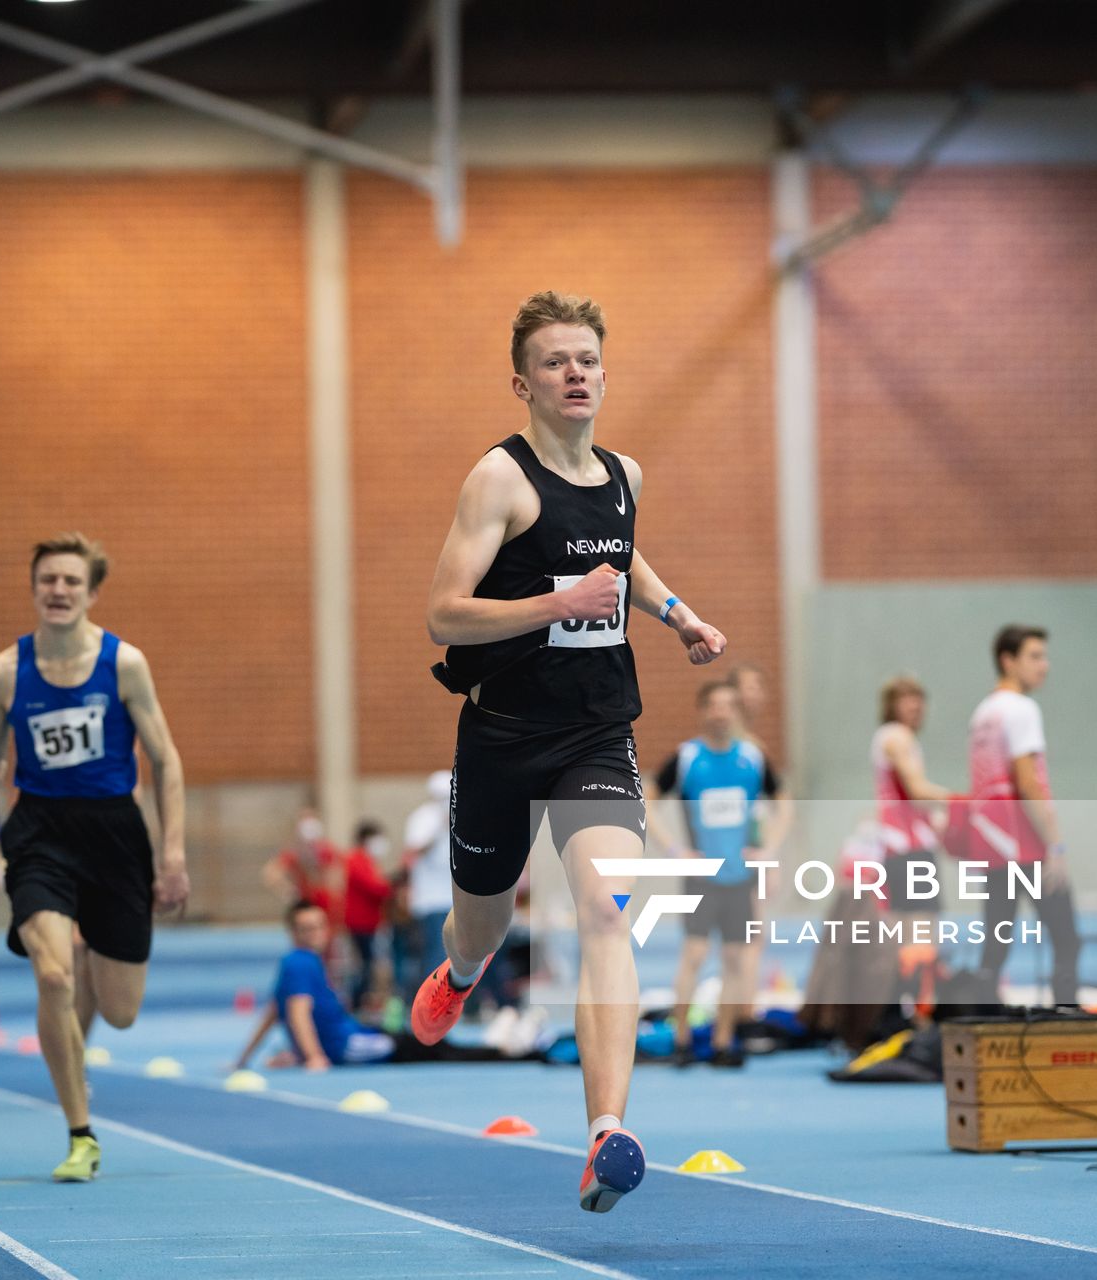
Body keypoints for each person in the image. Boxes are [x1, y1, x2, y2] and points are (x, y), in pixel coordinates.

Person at [417, 290, 727, 1213]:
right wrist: (558, 604)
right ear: (523, 382)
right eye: (556, 362)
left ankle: (606, 1133)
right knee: (483, 923)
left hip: (596, 732)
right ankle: (463, 973)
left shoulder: (626, 472)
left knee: (607, 907)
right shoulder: (498, 481)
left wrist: (678, 616)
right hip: (502, 736)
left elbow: (621, 561)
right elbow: (443, 613)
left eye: (588, 358)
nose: (576, 373)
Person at [0, 533, 190, 1183]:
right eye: (47, 580)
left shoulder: (124, 665)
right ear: (33, 588)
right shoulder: (4, 672)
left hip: (115, 835)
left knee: (119, 1010)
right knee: (51, 977)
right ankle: (80, 1134)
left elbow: (166, 760)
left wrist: (171, 856)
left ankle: (87, 950)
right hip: (40, 834)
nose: (58, 590)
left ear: (91, 593)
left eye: (70, 581)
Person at [657, 680, 785, 1067]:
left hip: (739, 877)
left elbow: (784, 801)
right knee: (694, 955)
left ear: (736, 712)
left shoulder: (752, 757)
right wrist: (676, 850)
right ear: (703, 710)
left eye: (729, 705)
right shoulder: (686, 758)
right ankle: (681, 1039)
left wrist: (768, 849)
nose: (721, 712)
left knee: (734, 959)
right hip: (701, 877)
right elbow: (645, 799)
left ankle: (723, 1041)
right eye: (714, 705)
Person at [234, 901, 527, 1069]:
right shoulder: (301, 962)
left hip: (351, 1034)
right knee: (423, 1048)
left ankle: (498, 1046)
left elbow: (274, 1012)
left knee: (421, 1044)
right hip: (347, 1045)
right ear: (293, 932)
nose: (316, 934)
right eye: (307, 929)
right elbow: (296, 1012)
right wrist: (312, 1056)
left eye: (320, 926)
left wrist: (244, 1059)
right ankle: (501, 1051)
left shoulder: (293, 962)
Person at [967, 625, 1080, 1006]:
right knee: (1066, 937)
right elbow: (1028, 783)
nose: (1044, 666)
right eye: (1034, 657)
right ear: (1008, 660)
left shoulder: (983, 713)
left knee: (995, 941)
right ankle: (1066, 1017)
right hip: (1025, 846)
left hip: (992, 845)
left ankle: (981, 1017)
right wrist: (1055, 845)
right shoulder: (1021, 710)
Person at [872, 674, 954, 901]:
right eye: (906, 699)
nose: (915, 706)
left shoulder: (889, 738)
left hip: (897, 847)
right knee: (922, 931)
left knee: (907, 930)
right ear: (891, 705)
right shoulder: (898, 736)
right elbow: (916, 791)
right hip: (909, 848)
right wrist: (962, 801)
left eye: (919, 699)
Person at [397, 770, 455, 999]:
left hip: (452, 898)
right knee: (433, 954)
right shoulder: (423, 818)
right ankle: (429, 1000)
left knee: (454, 955)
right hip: (429, 900)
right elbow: (412, 853)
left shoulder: (459, 814)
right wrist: (438, 829)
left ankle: (449, 1000)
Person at [341, 820, 395, 1013]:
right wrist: (392, 885)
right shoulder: (356, 859)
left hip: (369, 921)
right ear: (367, 839)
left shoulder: (368, 860)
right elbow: (374, 887)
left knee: (367, 964)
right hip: (359, 922)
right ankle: (355, 1002)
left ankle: (360, 1000)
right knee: (364, 965)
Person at [262, 807, 343, 923]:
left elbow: (338, 875)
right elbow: (270, 873)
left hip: (326, 903)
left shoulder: (327, 848)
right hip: (306, 903)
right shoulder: (295, 851)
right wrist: (290, 893)